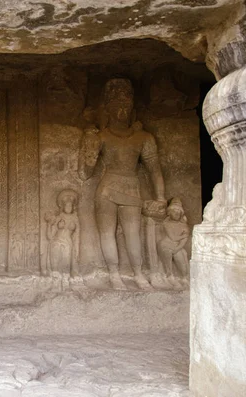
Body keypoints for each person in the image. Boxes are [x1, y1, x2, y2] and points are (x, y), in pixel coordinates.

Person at [79, 78, 166, 290]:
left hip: (131, 187)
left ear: (132, 107)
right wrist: (89, 160)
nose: (122, 109)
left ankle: (137, 273)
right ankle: (114, 274)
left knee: (132, 233)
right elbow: (85, 175)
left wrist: (161, 198)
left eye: (126, 104)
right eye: (117, 105)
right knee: (107, 233)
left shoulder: (143, 138)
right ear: (107, 108)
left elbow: (155, 170)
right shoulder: (100, 137)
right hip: (106, 190)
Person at [44, 189, 81, 289]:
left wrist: (77, 250)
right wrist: (49, 224)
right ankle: (55, 282)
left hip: (68, 243)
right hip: (56, 242)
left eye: (70, 205)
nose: (68, 207)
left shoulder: (76, 219)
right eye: (66, 205)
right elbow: (50, 236)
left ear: (73, 206)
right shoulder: (58, 218)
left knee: (66, 262)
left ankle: (66, 281)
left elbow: (77, 236)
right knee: (55, 262)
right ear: (62, 206)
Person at [157, 198, 190, 289]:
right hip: (165, 244)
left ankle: (184, 277)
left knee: (180, 257)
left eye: (179, 211)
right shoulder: (166, 224)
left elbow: (184, 240)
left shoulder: (184, 225)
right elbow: (173, 237)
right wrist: (183, 236)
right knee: (167, 252)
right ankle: (169, 275)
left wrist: (178, 248)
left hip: (177, 246)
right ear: (169, 212)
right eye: (174, 210)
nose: (176, 213)